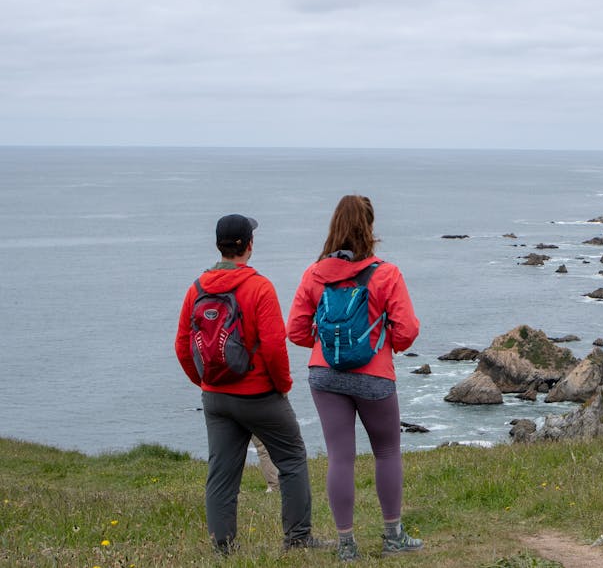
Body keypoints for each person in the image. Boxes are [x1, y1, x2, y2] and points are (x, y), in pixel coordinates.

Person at [174, 214, 332, 554]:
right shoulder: (259, 287)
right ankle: (298, 539)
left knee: (221, 474)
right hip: (259, 394)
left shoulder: (196, 288)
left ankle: (223, 548)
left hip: (216, 397)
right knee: (291, 459)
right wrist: (282, 386)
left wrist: (205, 383)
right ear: (249, 245)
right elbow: (275, 347)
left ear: (218, 245)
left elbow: (182, 345)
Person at [287, 195, 422, 561]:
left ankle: (346, 544)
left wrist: (324, 342)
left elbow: (296, 331)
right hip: (374, 375)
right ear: (370, 227)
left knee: (340, 457)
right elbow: (407, 331)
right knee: (387, 451)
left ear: (334, 227)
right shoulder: (386, 273)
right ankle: (393, 536)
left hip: (325, 374)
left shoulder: (314, 274)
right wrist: (382, 342)